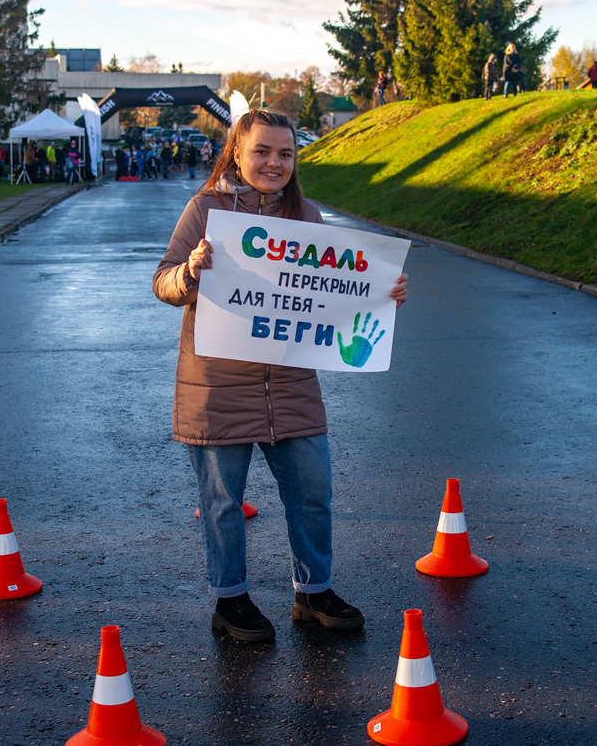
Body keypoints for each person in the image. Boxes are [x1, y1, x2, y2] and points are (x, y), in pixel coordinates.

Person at [152, 110, 409, 643]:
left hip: (291, 386)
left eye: (286, 154)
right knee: (223, 503)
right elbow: (162, 282)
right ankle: (231, 601)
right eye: (263, 151)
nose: (274, 163)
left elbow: (331, 293)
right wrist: (191, 272)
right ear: (238, 154)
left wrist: (382, 294)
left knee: (313, 493)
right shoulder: (206, 209)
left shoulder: (307, 216)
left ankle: (314, 591)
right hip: (217, 388)